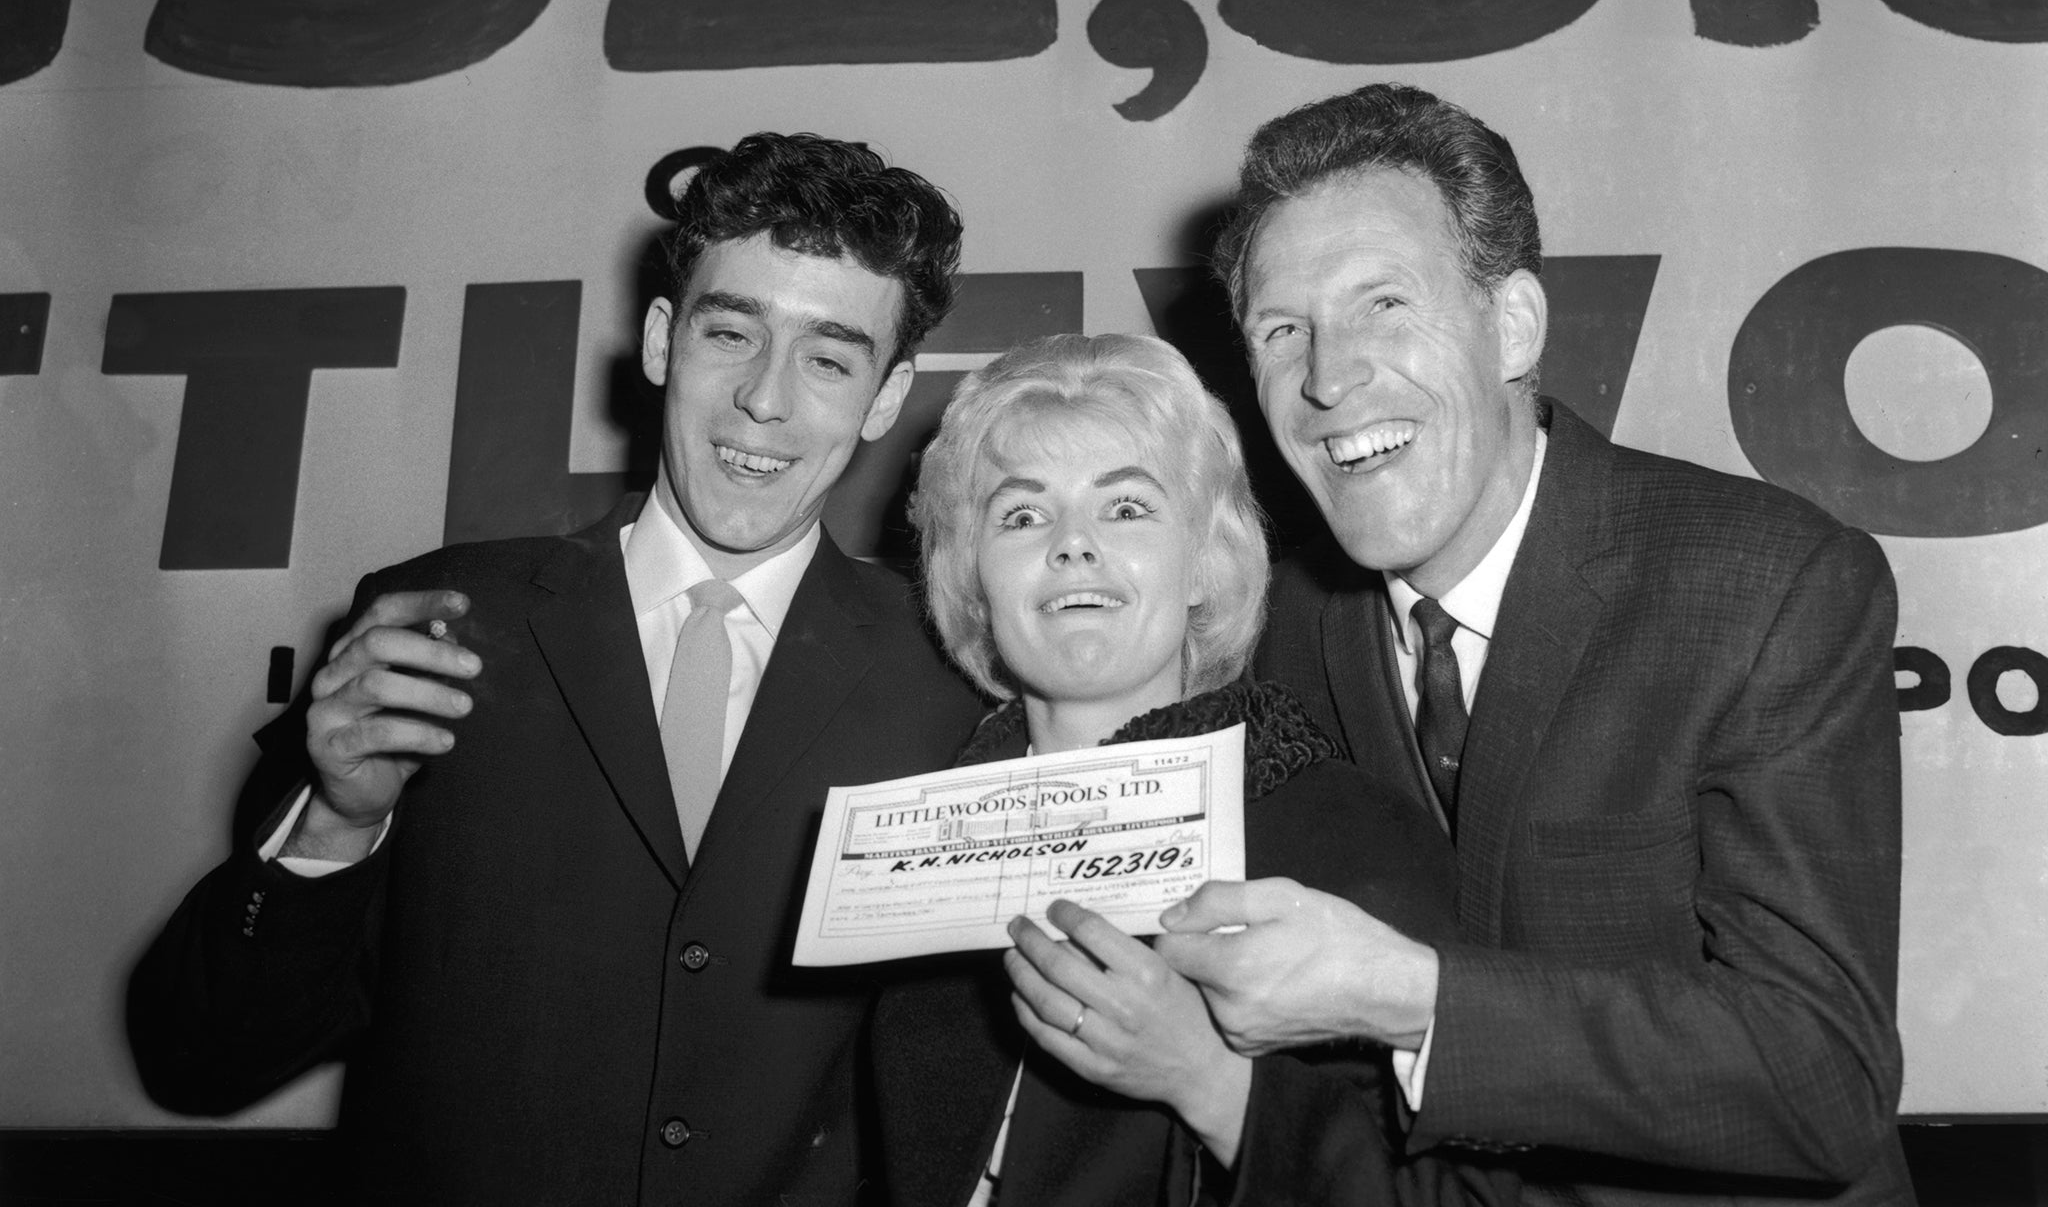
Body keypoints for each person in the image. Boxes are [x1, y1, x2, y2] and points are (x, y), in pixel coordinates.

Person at [127, 134, 987, 1207]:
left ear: (884, 396)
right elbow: (199, 1054)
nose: (766, 400)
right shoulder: (441, 623)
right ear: (665, 340)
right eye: (732, 332)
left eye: (827, 357)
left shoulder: (950, 677)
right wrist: (335, 827)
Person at [1152, 84, 1913, 1204]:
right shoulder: (1274, 627)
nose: (1326, 377)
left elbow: (1818, 1080)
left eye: (1383, 306)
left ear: (1511, 327)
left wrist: (1404, 994)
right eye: (1281, 331)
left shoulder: (1766, 587)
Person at [869, 333, 1512, 1207]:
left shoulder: (1352, 836)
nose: (1072, 547)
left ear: (1204, 564)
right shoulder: (902, 846)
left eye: (1126, 508)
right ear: (972, 581)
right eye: (1021, 516)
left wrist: (1211, 1083)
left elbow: (1466, 1191)